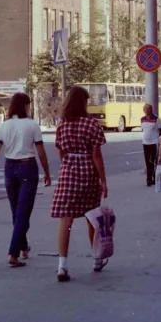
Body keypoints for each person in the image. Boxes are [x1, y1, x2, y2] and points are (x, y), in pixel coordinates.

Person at [0, 92, 51, 267]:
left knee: (16, 211)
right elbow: (41, 152)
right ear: (25, 106)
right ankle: (13, 254)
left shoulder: (4, 126)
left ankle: (23, 246)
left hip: (9, 168)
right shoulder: (32, 125)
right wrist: (47, 173)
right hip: (28, 168)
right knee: (23, 212)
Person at [50, 86, 108, 282]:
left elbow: (61, 153)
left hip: (68, 172)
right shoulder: (91, 125)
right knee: (92, 217)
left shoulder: (62, 125)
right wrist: (103, 180)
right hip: (88, 172)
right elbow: (97, 156)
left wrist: (69, 164)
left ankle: (62, 265)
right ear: (83, 103)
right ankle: (97, 259)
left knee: (65, 220)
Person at [140, 103, 161, 186]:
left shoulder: (156, 119)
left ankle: (153, 178)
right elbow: (144, 130)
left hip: (154, 143)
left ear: (151, 110)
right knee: (147, 162)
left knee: (153, 161)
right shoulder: (142, 119)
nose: (146, 111)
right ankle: (149, 179)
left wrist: (156, 138)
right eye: (145, 109)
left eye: (148, 109)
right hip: (145, 143)